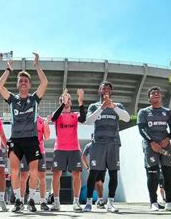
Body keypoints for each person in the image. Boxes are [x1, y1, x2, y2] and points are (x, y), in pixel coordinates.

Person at [0, 53, 48, 212]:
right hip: (16, 139)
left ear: (30, 85)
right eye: (21, 80)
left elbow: (45, 82)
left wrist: (37, 66)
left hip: (32, 139)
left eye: (26, 80)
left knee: (34, 171)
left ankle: (31, 199)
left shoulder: (34, 99)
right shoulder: (12, 99)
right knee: (14, 170)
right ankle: (18, 200)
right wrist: (8, 69)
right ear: (18, 84)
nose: (24, 82)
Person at [84, 81, 130, 212]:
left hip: (113, 143)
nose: (106, 90)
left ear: (111, 91)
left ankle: (110, 203)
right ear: (99, 90)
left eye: (109, 88)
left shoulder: (118, 105)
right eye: (104, 88)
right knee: (93, 173)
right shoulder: (94, 106)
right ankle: (88, 203)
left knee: (113, 172)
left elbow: (126, 118)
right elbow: (88, 121)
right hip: (98, 144)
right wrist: (102, 108)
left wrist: (113, 106)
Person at [137, 86, 171, 211]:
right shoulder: (143, 112)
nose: (156, 94)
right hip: (150, 145)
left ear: (161, 96)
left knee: (168, 172)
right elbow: (141, 129)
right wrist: (151, 142)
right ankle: (154, 203)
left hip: (165, 145)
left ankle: (169, 202)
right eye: (153, 93)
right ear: (149, 98)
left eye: (158, 92)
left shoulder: (167, 112)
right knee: (153, 173)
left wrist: (168, 138)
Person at [49, 89, 86, 212]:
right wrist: (62, 104)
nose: (67, 101)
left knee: (76, 175)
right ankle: (56, 202)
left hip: (74, 149)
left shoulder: (75, 115)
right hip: (59, 149)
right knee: (56, 174)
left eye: (69, 99)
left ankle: (76, 202)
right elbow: (54, 118)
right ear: (61, 102)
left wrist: (81, 102)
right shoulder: (57, 114)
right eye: (65, 99)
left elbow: (83, 119)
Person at [20, 110, 50, 211]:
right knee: (24, 176)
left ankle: (42, 202)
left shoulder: (41, 121)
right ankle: (20, 202)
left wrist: (46, 124)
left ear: (38, 109)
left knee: (42, 176)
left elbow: (47, 137)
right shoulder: (23, 119)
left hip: (40, 151)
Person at [81, 137, 106, 209]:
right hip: (93, 168)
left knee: (100, 183)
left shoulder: (103, 145)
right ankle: (99, 201)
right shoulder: (89, 145)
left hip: (103, 167)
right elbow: (83, 156)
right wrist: (87, 167)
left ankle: (99, 199)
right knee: (97, 183)